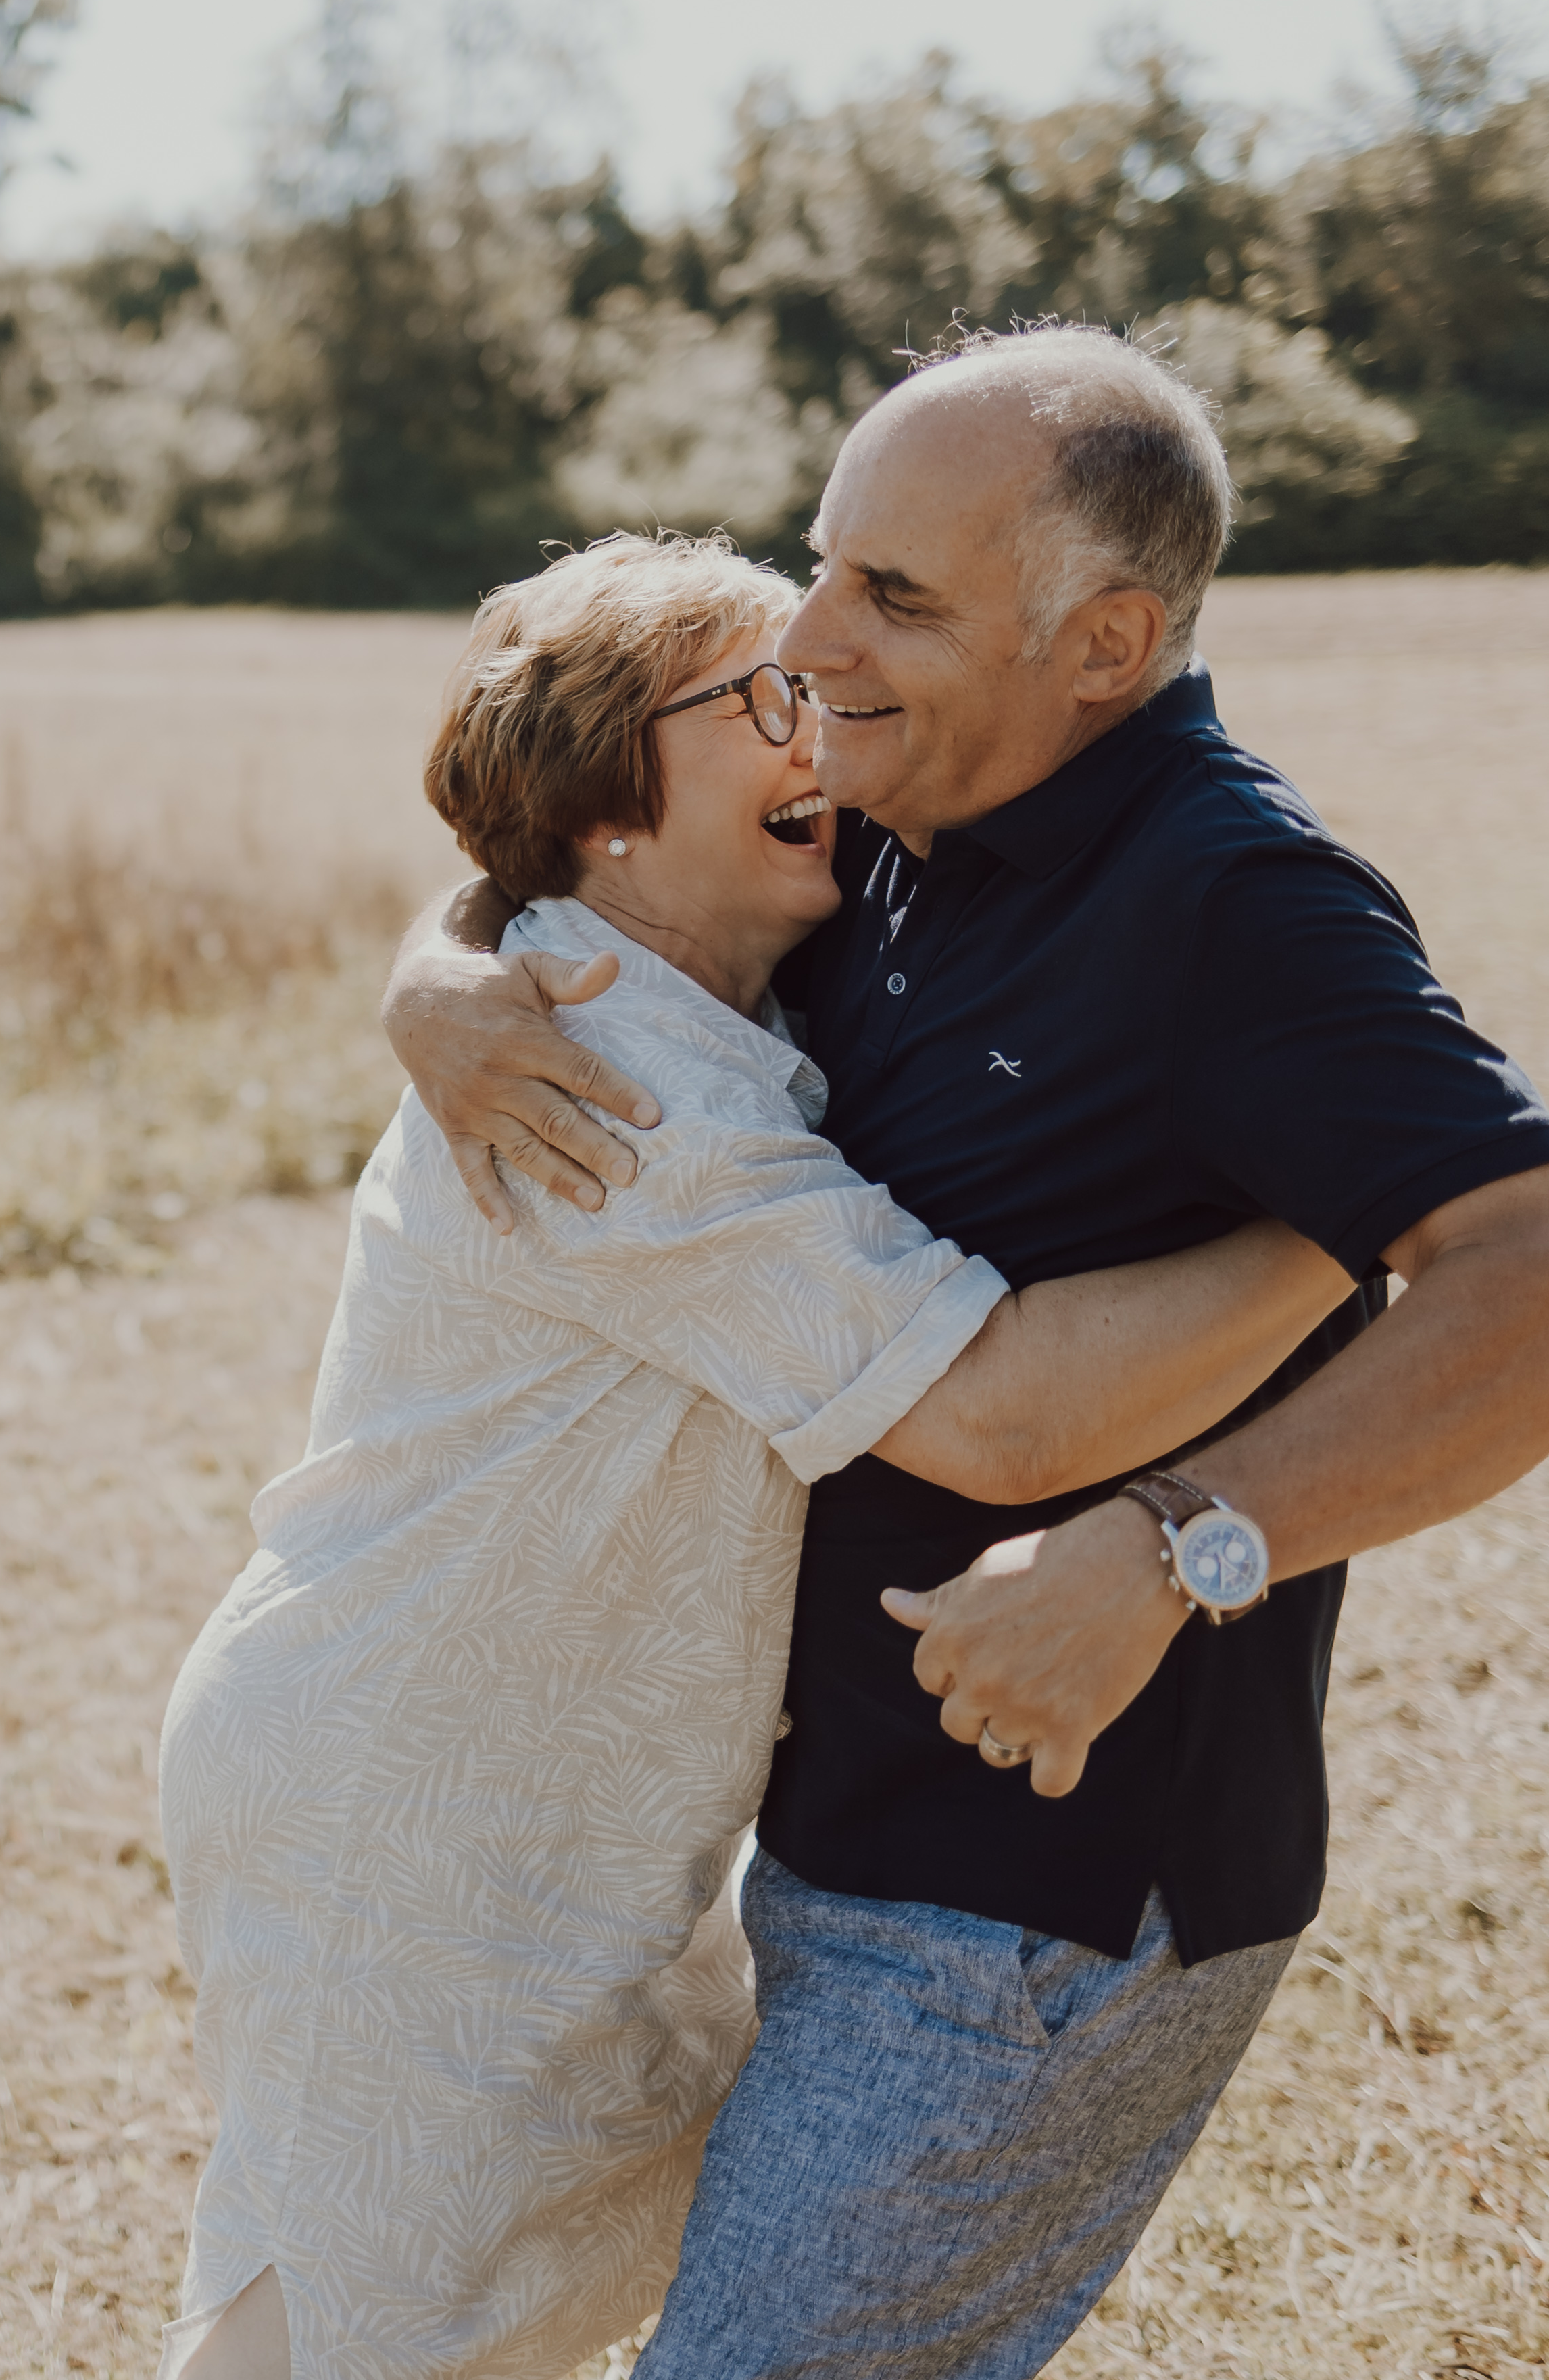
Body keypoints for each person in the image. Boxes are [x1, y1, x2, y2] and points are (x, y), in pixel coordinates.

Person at [384, 330, 1549, 2378]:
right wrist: (440, 970)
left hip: (1048, 1888)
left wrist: (1184, 1539)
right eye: (824, 563)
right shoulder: (901, 818)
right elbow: (587, 836)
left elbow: (1525, 1266)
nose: (811, 637)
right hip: (829, 1831)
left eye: (891, 598)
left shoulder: (1233, 908)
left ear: (1101, 644)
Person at [157, 531, 1346, 2380]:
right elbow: (1004, 1409)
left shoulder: (680, 974)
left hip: (539, 1790)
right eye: (765, 697)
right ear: (607, 805)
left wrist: (438, 945)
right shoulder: (605, 1077)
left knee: (427, 2301)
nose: (827, 724)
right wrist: (1358, 1212)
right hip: (416, 1795)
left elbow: (503, 885)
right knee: (348, 2334)